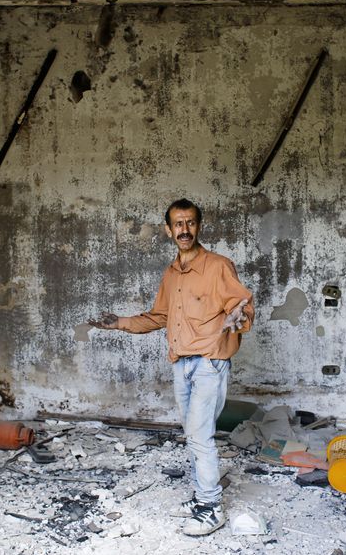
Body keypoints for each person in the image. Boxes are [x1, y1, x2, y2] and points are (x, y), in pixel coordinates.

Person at [88, 198, 255, 536]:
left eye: (190, 223)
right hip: (182, 363)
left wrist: (239, 317)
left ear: (199, 227)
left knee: (200, 435)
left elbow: (241, 304)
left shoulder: (219, 266)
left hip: (210, 361)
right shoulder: (171, 273)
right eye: (178, 224)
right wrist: (119, 322)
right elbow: (160, 317)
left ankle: (211, 508)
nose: (184, 230)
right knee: (193, 435)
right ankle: (201, 497)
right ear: (168, 230)